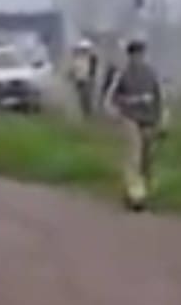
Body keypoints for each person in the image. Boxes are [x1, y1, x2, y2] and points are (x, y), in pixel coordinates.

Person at [106, 37, 164, 210]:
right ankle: (135, 196)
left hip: (149, 118)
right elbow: (112, 98)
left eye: (140, 54)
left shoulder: (150, 73)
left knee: (147, 158)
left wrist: (162, 116)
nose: (138, 57)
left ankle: (144, 191)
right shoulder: (122, 74)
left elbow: (160, 96)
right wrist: (128, 103)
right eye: (135, 54)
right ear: (130, 56)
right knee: (134, 155)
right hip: (130, 117)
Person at [70, 38, 100, 119]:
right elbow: (74, 70)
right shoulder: (77, 58)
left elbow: (92, 71)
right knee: (82, 99)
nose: (84, 51)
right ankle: (85, 114)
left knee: (87, 98)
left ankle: (89, 115)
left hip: (87, 81)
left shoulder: (92, 58)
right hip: (79, 81)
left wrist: (91, 79)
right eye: (83, 49)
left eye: (85, 49)